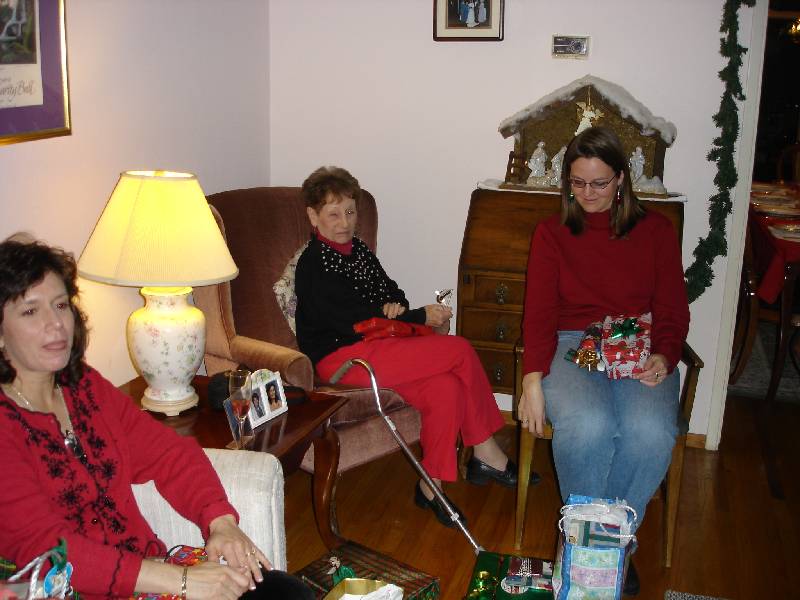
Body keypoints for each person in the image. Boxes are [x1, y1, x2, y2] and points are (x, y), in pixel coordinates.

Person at [0, 235, 313, 600]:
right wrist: (184, 581)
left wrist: (220, 521)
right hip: (74, 591)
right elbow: (50, 551)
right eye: (30, 311)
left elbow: (169, 454)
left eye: (60, 305)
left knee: (285, 593)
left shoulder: (84, 387)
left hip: (155, 578)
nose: (55, 324)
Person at [294, 166, 535, 528]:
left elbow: (392, 292)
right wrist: (416, 316)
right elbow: (349, 319)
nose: (344, 222)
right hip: (344, 359)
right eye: (333, 214)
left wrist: (397, 306)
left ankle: (430, 485)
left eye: (350, 211)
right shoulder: (313, 264)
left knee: (445, 387)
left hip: (380, 344)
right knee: (458, 350)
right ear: (313, 216)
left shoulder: (359, 251)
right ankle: (485, 449)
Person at [517, 127, 690, 596]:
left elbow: (672, 308)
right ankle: (585, 546)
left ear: (621, 179)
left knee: (650, 431)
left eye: (599, 183)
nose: (588, 194)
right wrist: (532, 379)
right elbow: (539, 313)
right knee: (589, 423)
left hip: (637, 340)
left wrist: (665, 354)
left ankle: (610, 546)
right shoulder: (551, 233)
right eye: (577, 183)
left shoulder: (656, 231)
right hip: (574, 341)